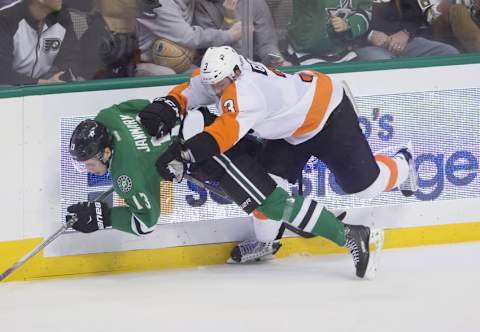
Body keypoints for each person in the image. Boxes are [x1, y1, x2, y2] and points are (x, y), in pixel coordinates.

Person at [138, 46, 424, 278]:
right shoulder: (225, 72)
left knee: (366, 186)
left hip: (327, 116)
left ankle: (404, 161)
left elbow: (221, 136)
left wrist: (183, 154)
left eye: (220, 84)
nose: (216, 90)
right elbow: (195, 87)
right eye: (214, 83)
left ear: (235, 73)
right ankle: (266, 243)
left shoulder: (246, 92)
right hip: (289, 130)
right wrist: (171, 103)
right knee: (266, 192)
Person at [67, 97, 381, 278]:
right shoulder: (109, 116)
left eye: (91, 161)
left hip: (210, 153)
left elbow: (143, 222)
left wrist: (104, 217)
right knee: (268, 182)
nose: (88, 168)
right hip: (212, 121)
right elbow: (150, 109)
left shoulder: (127, 175)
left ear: (107, 151)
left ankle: (350, 234)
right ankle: (268, 242)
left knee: (272, 202)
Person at [135, 0, 242, 75]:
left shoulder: (192, 2)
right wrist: (229, 35)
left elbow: (208, 41)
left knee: (204, 75)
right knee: (168, 76)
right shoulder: (158, 4)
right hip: (143, 63)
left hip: (180, 62)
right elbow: (189, 37)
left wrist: (229, 19)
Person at [0, 0, 81, 85]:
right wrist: (43, 83)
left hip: (45, 92)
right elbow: (2, 74)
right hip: (8, 93)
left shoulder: (65, 18)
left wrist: (61, 77)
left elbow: (69, 63)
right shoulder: (5, 19)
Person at [195, 0, 291, 66]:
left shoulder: (255, 3)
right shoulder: (202, 5)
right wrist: (229, 19)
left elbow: (266, 43)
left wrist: (274, 58)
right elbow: (213, 50)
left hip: (252, 66)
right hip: (220, 70)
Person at [357, 0, 460, 60]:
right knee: (387, 64)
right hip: (367, 45)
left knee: (448, 53)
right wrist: (369, 35)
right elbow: (343, 27)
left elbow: (416, 16)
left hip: (404, 41)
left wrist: (406, 32)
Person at [287, 0, 373, 64]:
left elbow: (365, 11)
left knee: (354, 80)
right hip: (306, 52)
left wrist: (349, 24)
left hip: (341, 50)